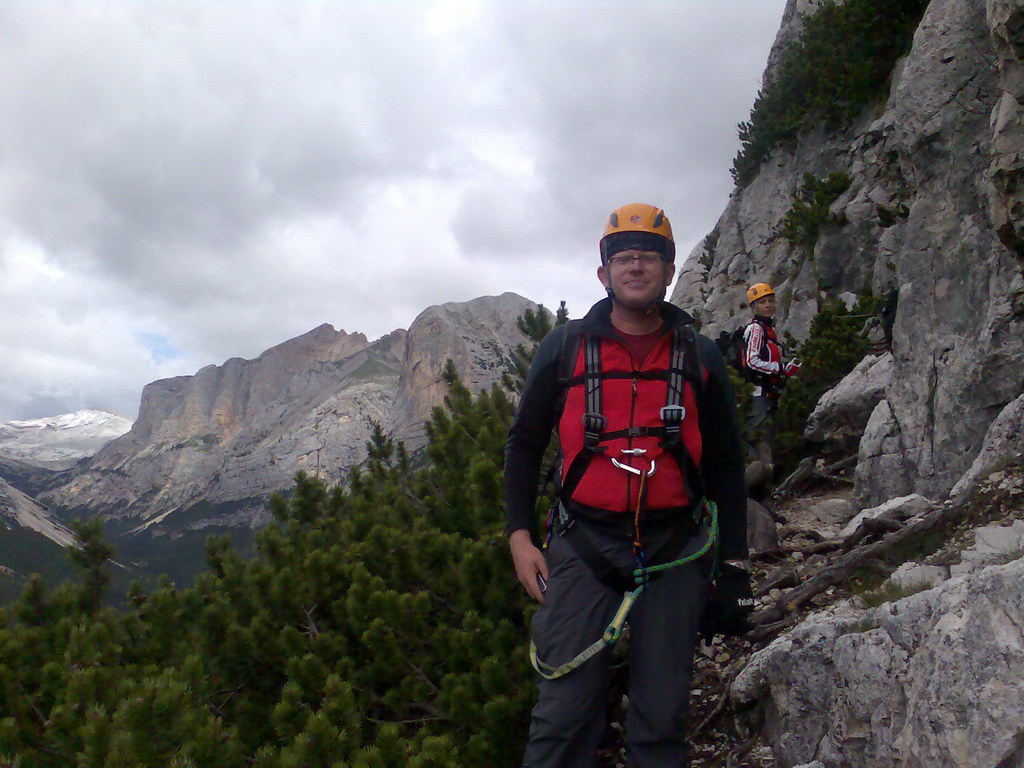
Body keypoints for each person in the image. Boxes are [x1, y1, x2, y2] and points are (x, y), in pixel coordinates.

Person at [504, 203, 751, 768]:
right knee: (561, 716)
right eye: (623, 257)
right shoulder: (564, 349)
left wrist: (734, 568)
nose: (635, 267)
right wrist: (519, 535)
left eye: (649, 257)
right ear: (603, 274)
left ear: (669, 271)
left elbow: (727, 466)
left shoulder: (699, 355)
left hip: (676, 550)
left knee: (661, 718)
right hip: (583, 545)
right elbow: (522, 444)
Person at [741, 283, 799, 497]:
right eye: (762, 302)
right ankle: (760, 498)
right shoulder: (756, 329)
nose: (768, 305)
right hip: (758, 394)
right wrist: (781, 368)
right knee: (760, 445)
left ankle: (764, 497)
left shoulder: (768, 330)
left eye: (770, 301)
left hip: (768, 393)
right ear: (754, 306)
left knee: (767, 442)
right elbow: (752, 361)